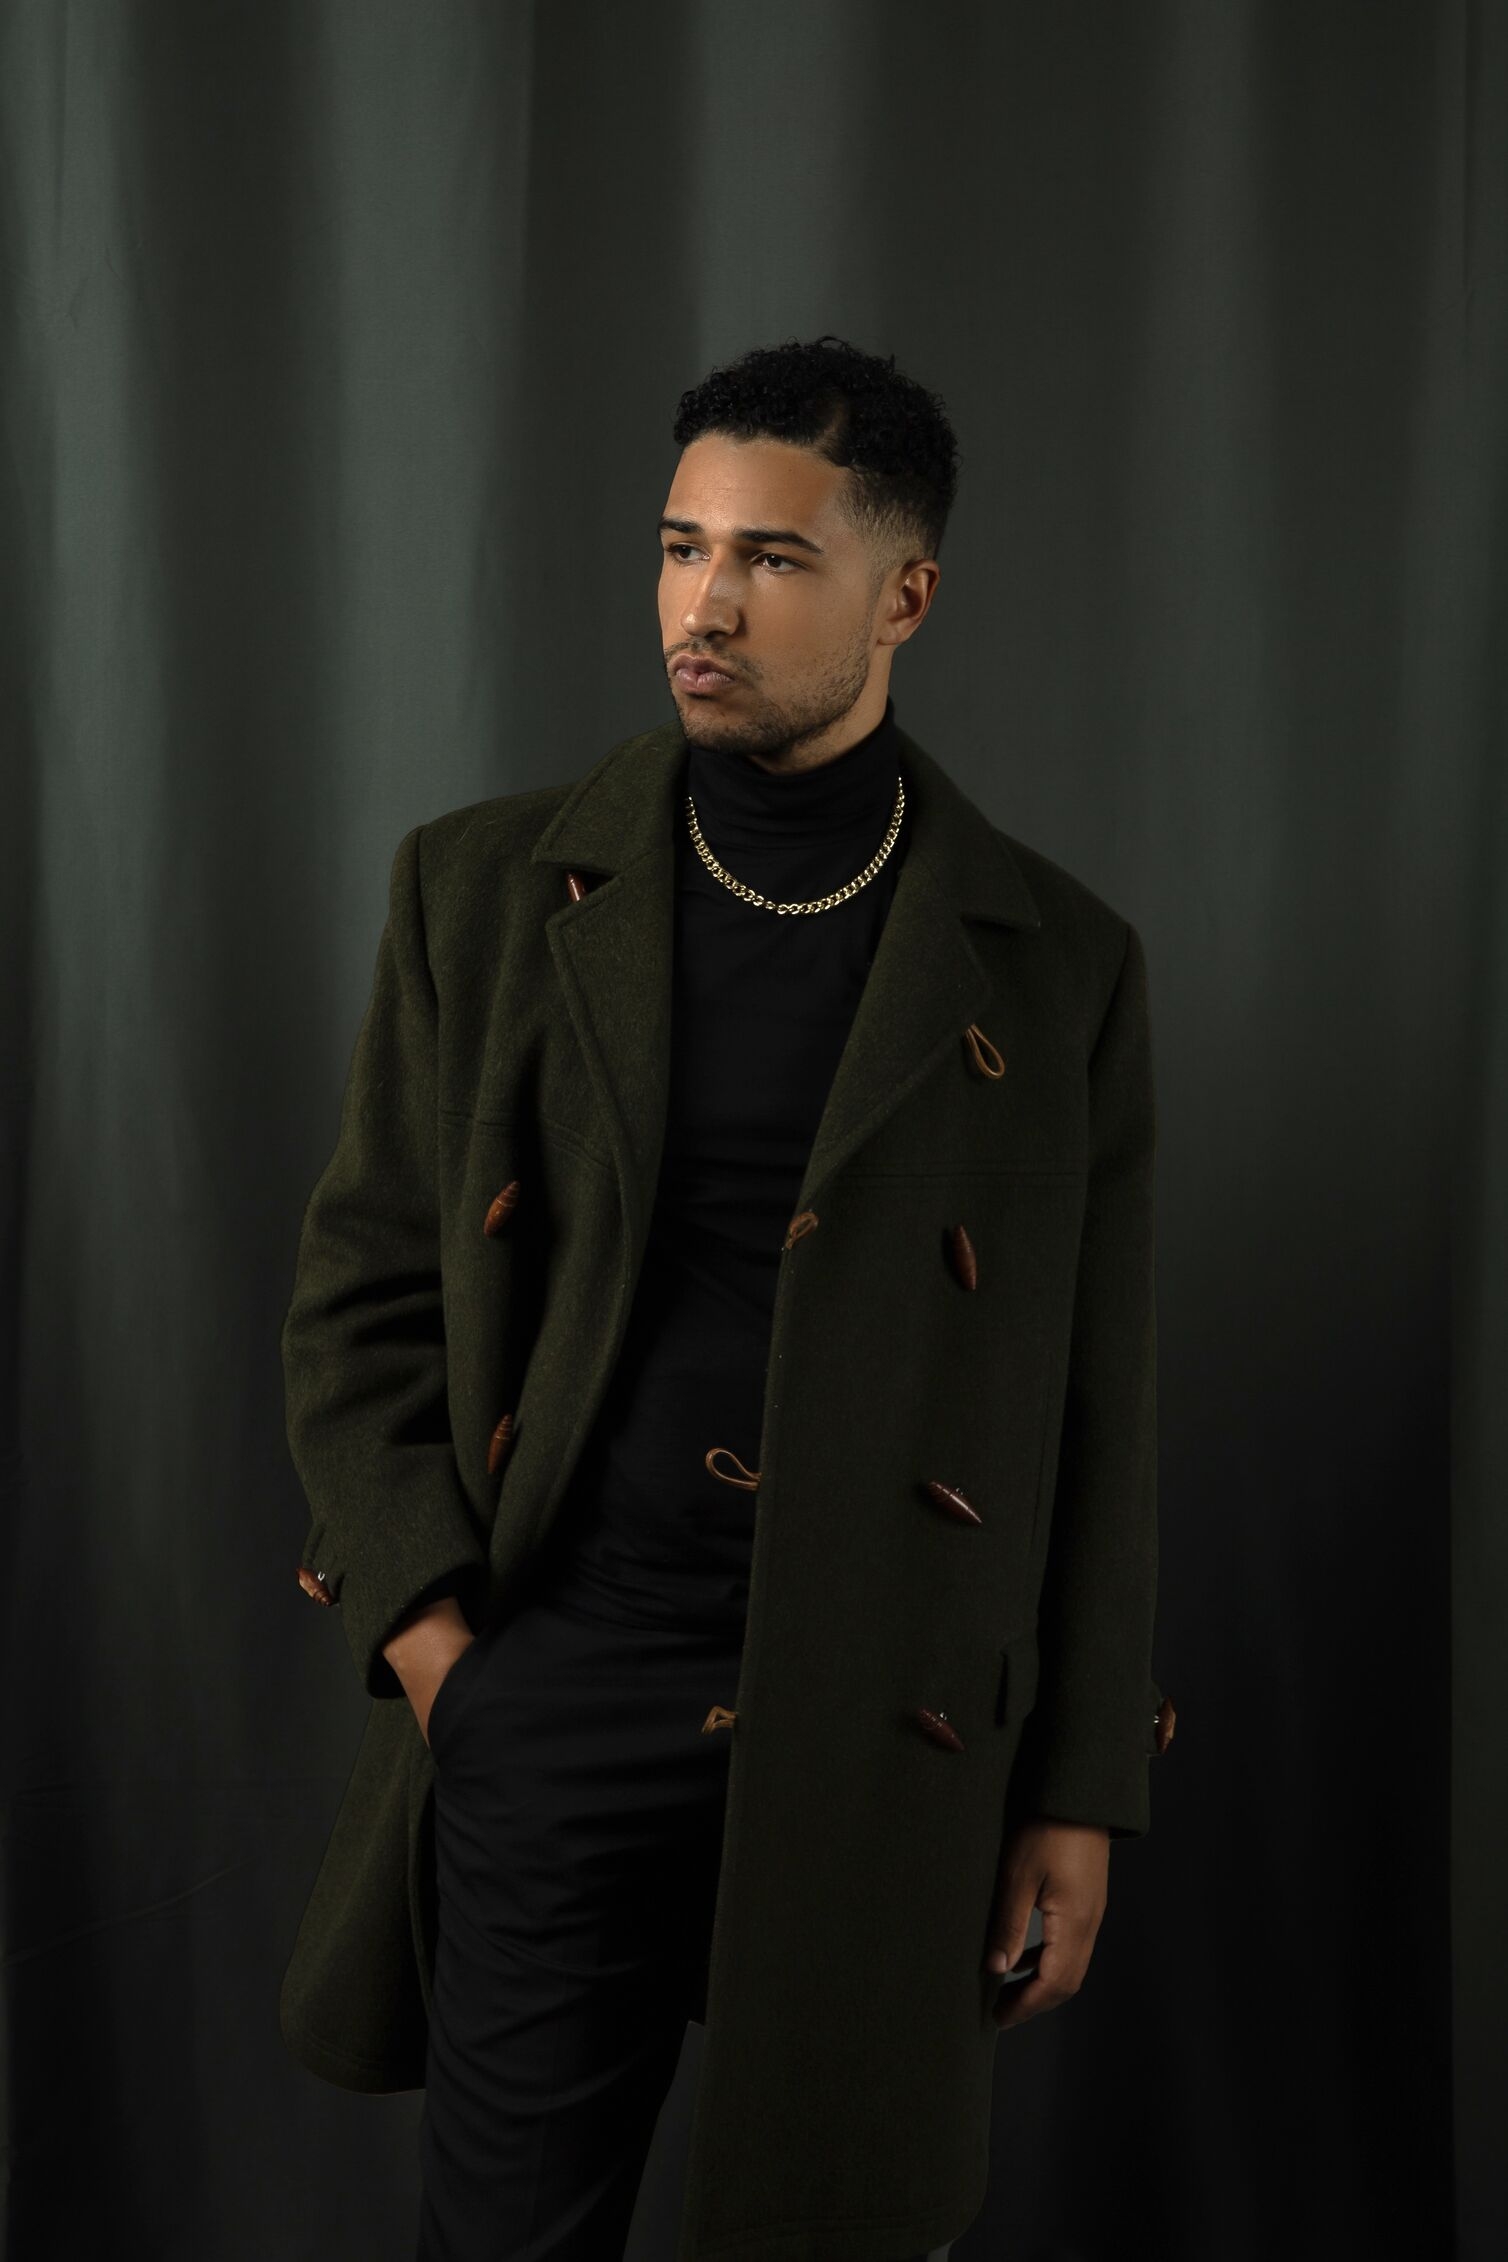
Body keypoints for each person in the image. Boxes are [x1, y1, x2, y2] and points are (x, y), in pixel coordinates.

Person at [280, 333, 1172, 2262]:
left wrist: (1081, 1786)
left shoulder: (1058, 965)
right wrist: (444, 1660)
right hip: (557, 1688)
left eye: (771, 558)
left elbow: (1095, 1410)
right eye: (683, 546)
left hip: (883, 1729)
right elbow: (357, 1311)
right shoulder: (479, 892)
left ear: (903, 597)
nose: (704, 604)